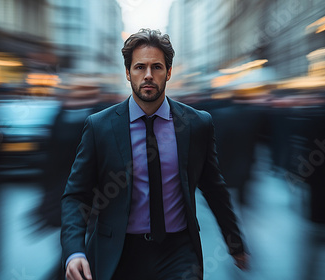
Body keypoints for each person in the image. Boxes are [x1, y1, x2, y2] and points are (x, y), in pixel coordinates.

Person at [61, 28, 249, 280]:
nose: (148, 75)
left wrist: (234, 242)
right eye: (140, 67)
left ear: (168, 72)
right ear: (128, 73)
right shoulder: (100, 127)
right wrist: (74, 251)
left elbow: (214, 187)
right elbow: (76, 195)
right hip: (118, 252)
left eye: (157, 67)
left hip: (178, 252)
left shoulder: (196, 124)